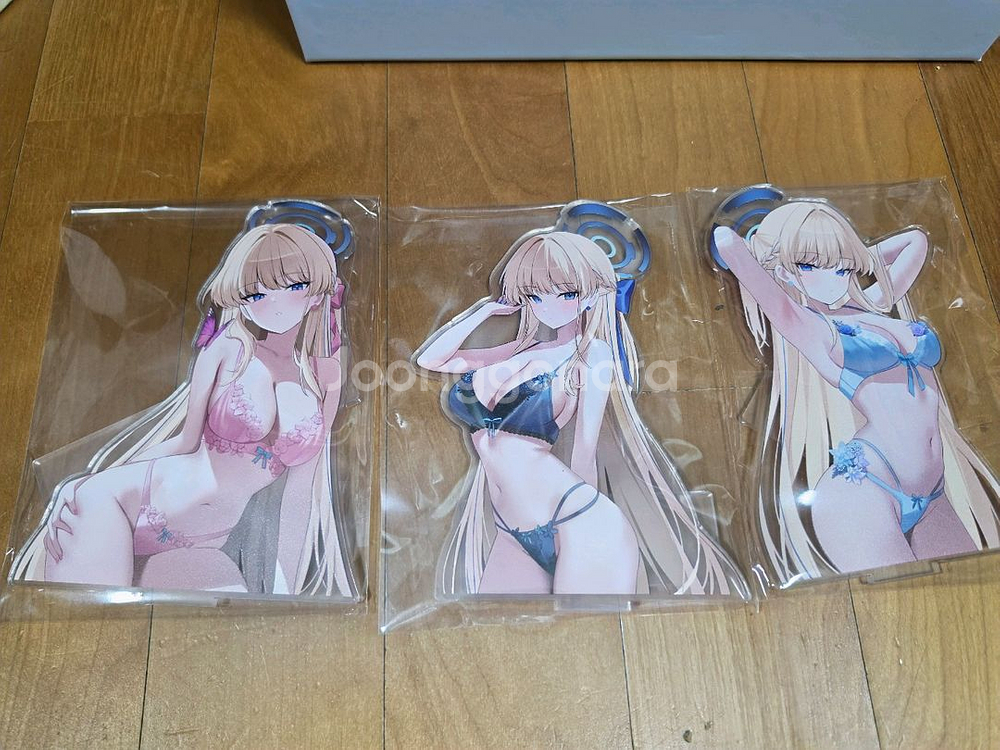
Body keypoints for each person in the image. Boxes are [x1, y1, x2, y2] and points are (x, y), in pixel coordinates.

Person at [12, 200, 357, 597]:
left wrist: (288, 593)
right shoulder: (230, 347)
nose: (273, 303)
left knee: (243, 627)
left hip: (204, 541)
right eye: (254, 293)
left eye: (293, 287)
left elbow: (301, 493)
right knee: (88, 621)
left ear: (317, 294)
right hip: (122, 505)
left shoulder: (324, 373)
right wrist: (83, 485)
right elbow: (185, 441)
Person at [417, 202, 747, 597]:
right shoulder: (515, 352)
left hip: (574, 518)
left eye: (568, 293)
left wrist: (577, 521)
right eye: (535, 293)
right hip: (510, 531)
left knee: (590, 628)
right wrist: (487, 311)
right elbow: (430, 360)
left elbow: (585, 450)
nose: (549, 304)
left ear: (591, 296)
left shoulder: (593, 355)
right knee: (502, 626)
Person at [712, 188, 1000, 581]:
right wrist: (771, 254)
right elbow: (726, 242)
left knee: (972, 591)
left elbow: (916, 241)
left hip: (933, 491)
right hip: (865, 490)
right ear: (785, 270)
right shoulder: (809, 327)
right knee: (900, 605)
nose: (833, 277)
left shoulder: (873, 303)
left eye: (842, 267)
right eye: (812, 265)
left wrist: (849, 254)